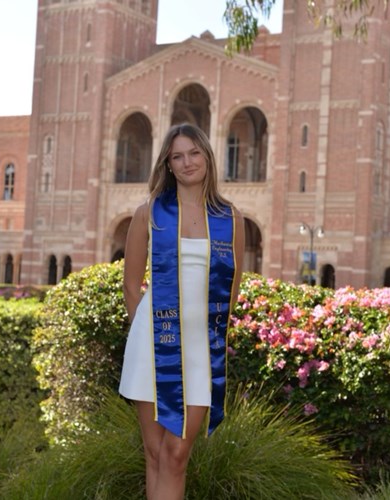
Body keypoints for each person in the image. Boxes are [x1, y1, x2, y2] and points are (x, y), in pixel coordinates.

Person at [119, 122, 244, 500]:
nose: (187, 162)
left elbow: (232, 289)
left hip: (200, 348)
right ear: (168, 165)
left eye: (194, 153)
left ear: (207, 156)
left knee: (176, 453)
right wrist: (150, 335)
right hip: (153, 343)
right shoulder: (149, 213)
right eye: (177, 156)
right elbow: (131, 285)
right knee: (155, 452)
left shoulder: (230, 218)